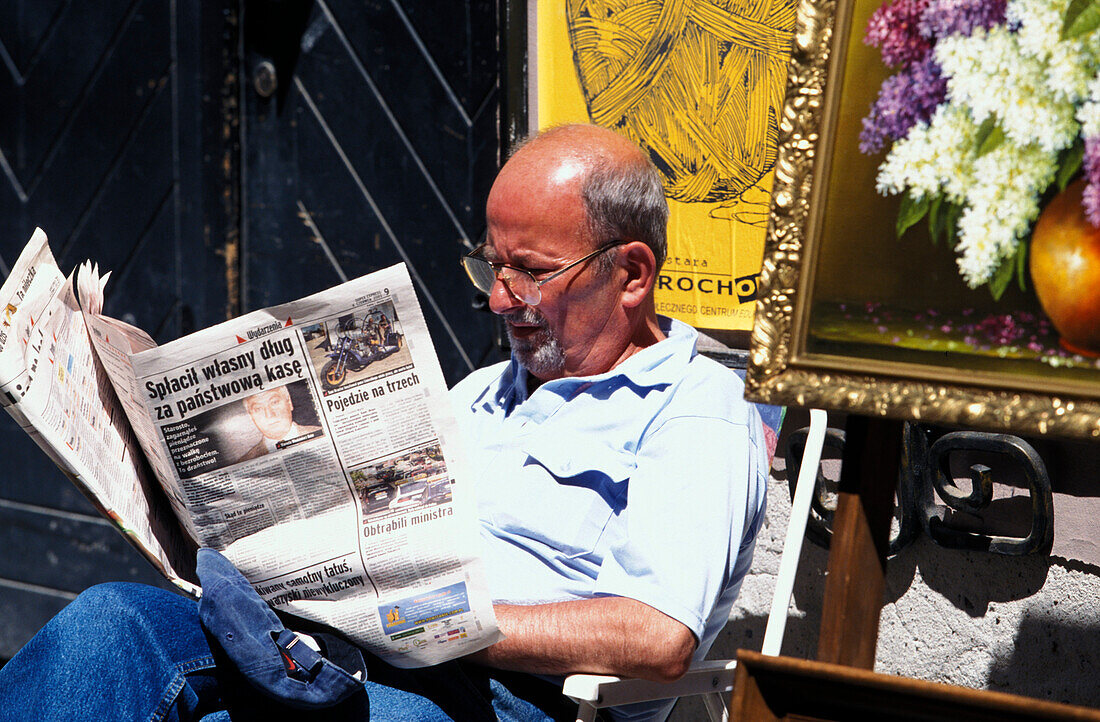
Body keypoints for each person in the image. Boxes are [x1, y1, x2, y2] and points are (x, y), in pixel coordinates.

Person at [0, 124, 767, 722]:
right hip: (335, 652)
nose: (499, 299)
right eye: (489, 266)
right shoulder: (480, 394)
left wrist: (425, 619)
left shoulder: (695, 413)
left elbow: (659, 639)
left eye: (528, 271)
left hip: (498, 698)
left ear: (631, 274)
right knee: (110, 624)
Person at [236, 385, 322, 463]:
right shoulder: (244, 462)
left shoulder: (322, 434)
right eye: (258, 409)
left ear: (289, 402)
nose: (269, 415)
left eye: (274, 403)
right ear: (251, 416)